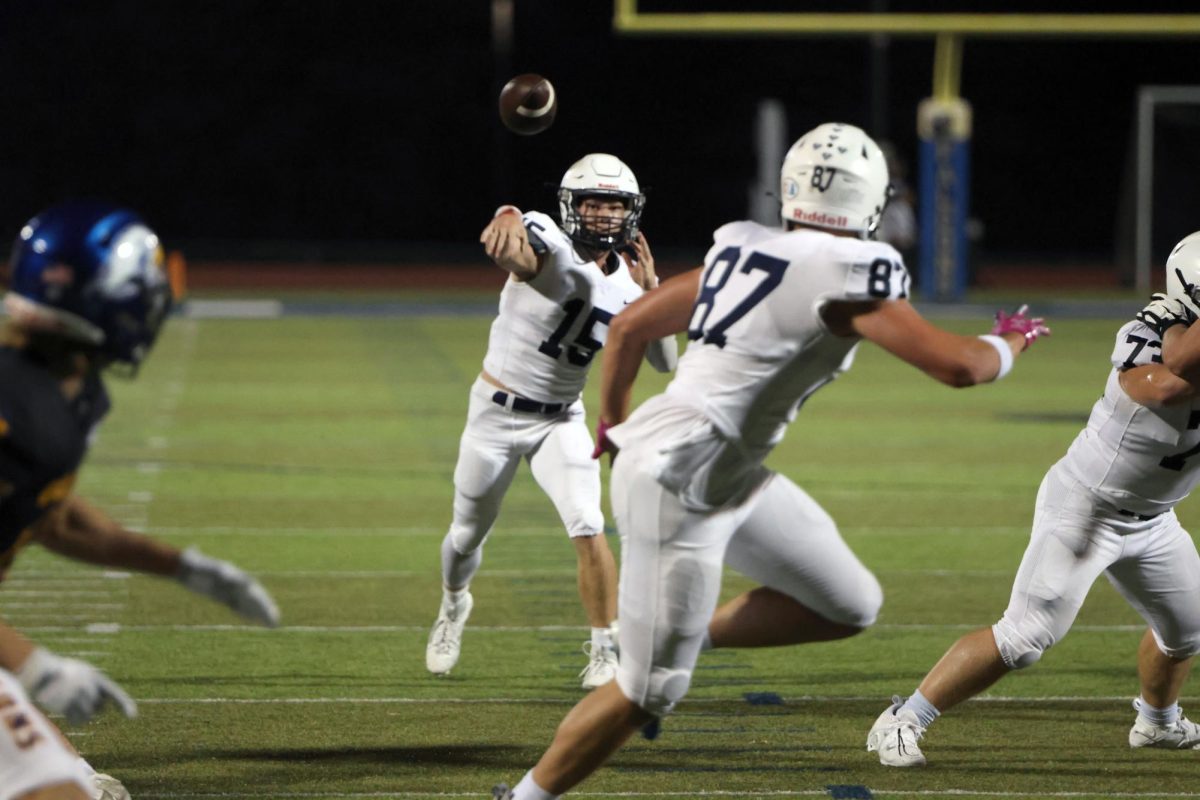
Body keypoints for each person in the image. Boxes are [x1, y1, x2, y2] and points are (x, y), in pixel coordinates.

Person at [489, 121, 1049, 799]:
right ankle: (525, 794)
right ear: (868, 200)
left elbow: (633, 325)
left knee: (850, 603)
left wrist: (612, 422)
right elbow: (960, 367)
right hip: (679, 479)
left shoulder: (744, 243)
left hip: (721, 469)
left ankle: (687, 638)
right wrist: (1012, 338)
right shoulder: (852, 271)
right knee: (647, 690)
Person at [866, 233, 1200, 767]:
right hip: (1089, 505)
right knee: (1025, 637)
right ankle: (903, 717)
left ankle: (1157, 723)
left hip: (1155, 519)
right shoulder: (1149, 330)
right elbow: (1163, 388)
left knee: (1187, 631)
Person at [0, 202, 283, 798]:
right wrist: (32, 665)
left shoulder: (66, 386)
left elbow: (50, 516)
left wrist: (179, 566)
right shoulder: (16, 406)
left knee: (68, 784)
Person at [426, 154, 678, 689]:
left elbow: (666, 363)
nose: (605, 216)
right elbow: (516, 247)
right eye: (593, 204)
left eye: (615, 206)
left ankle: (605, 647)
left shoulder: (634, 289)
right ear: (571, 207)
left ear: (631, 213)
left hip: (561, 421)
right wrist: (508, 213)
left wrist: (654, 294)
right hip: (494, 415)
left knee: (588, 525)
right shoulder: (550, 242)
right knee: (467, 534)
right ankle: (453, 604)